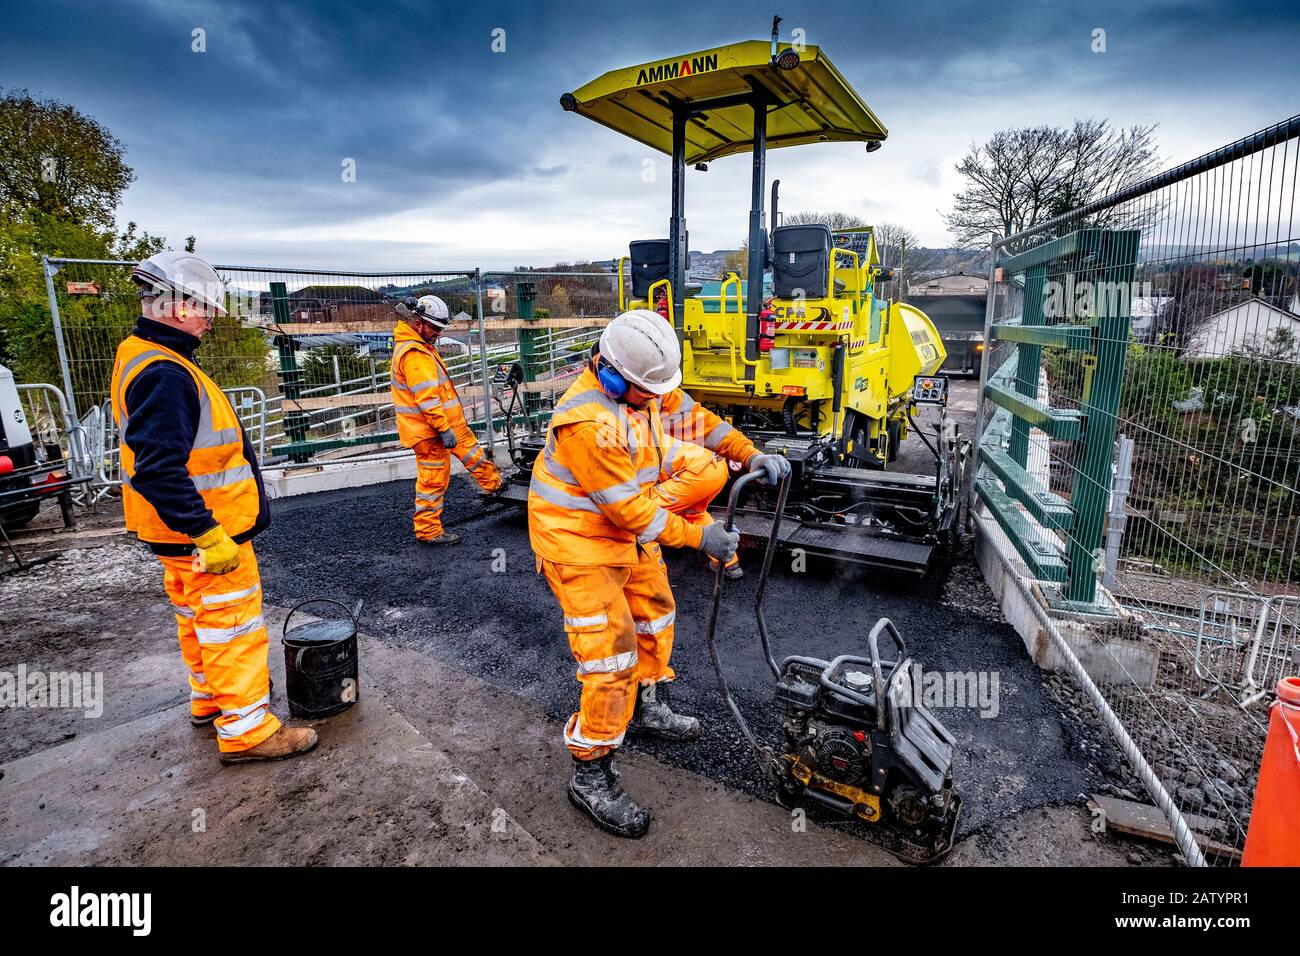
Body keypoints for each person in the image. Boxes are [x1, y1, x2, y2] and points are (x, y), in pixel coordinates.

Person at [528, 309, 790, 837]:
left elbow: (695, 420)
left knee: (654, 616)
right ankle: (591, 772)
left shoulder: (640, 386)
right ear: (610, 374)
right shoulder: (587, 424)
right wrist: (700, 536)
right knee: (611, 656)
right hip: (578, 546)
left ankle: (646, 705)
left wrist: (748, 452)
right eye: (649, 394)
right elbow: (630, 511)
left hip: (623, 537)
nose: (657, 403)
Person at [109, 251, 317, 765]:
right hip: (207, 535)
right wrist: (206, 531)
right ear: (177, 307)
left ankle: (210, 701)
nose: (210, 317)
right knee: (233, 627)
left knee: (197, 620)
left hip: (172, 534)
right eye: (204, 307)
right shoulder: (167, 373)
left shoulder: (139, 354)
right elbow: (158, 466)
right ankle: (247, 731)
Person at [390, 294, 502, 545]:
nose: (438, 334)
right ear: (418, 323)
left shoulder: (422, 347)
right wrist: (443, 429)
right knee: (434, 479)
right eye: (434, 328)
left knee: (474, 455)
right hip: (431, 433)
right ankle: (428, 530)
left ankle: (494, 485)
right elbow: (427, 399)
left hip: (449, 425)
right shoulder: (415, 354)